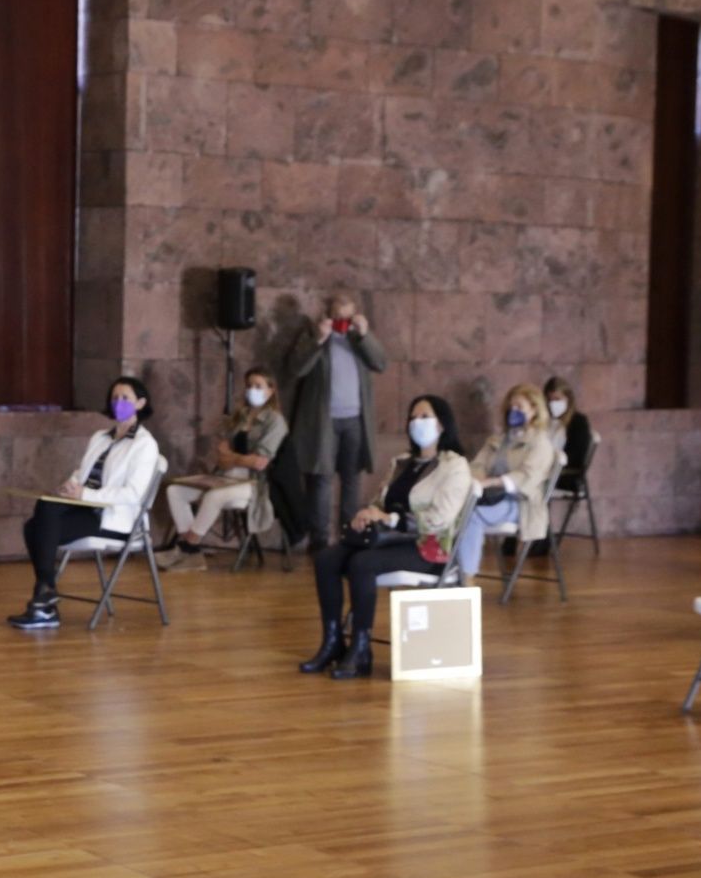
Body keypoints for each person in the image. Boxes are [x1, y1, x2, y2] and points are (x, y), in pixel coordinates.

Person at [301, 396, 472, 680]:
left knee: (362, 564)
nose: (417, 422)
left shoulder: (454, 466)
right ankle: (332, 642)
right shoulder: (402, 463)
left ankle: (361, 648)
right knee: (326, 559)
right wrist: (369, 513)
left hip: (427, 546)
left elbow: (440, 519)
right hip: (388, 538)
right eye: (413, 417)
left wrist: (392, 519)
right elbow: (382, 501)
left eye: (425, 416)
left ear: (442, 423)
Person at [8, 377, 161, 630]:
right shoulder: (100, 437)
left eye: (125, 398)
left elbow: (132, 494)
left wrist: (85, 496)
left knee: (35, 528)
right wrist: (70, 486)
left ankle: (44, 600)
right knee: (41, 514)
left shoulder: (145, 445)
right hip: (86, 507)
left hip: (113, 518)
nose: (118, 403)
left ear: (141, 403)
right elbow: (83, 472)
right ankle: (45, 595)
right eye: (115, 398)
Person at [284, 291, 388, 552]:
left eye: (347, 317)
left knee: (352, 478)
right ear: (327, 315)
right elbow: (297, 368)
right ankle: (319, 540)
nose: (342, 322)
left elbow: (381, 363)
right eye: (336, 317)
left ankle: (349, 534)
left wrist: (364, 335)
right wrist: (319, 339)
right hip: (323, 421)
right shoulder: (315, 335)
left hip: (354, 420)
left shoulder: (357, 338)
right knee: (321, 478)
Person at [159, 368, 288, 571]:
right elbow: (221, 456)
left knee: (214, 495)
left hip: (253, 485)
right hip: (224, 476)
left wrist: (234, 458)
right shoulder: (240, 416)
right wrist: (238, 459)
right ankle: (190, 551)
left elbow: (259, 462)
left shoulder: (275, 421)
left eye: (258, 386)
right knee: (175, 491)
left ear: (270, 390)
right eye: (249, 386)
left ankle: (187, 549)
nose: (252, 390)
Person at [456, 383, 557, 582]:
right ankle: (449, 568)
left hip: (521, 503)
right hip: (491, 498)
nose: (514, 411)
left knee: (472, 515)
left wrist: (492, 482)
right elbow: (478, 464)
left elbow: (526, 478)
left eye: (519, 407)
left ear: (534, 410)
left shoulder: (540, 443)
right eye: (512, 407)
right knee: (454, 509)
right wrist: (477, 478)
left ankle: (466, 576)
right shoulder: (498, 439)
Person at [543, 376, 593, 489]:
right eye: (549, 400)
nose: (553, 404)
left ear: (568, 399)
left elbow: (577, 457)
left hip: (565, 474)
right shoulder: (546, 420)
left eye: (557, 399)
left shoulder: (578, 422)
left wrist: (553, 462)